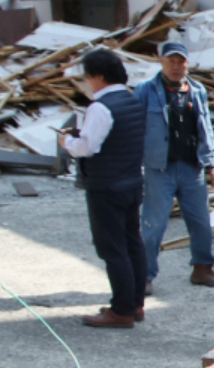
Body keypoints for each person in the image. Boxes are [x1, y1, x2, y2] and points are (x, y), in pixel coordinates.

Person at [60, 48, 149, 328]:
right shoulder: (131, 100)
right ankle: (134, 304)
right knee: (132, 243)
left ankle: (121, 310)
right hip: (131, 180)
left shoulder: (101, 107)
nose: (87, 83)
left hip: (106, 184)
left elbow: (87, 147)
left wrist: (66, 143)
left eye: (87, 77)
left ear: (98, 76)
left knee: (112, 249)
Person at [136, 40, 214, 290]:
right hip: (159, 169)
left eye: (181, 62)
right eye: (171, 61)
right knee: (154, 224)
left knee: (200, 222)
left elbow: (205, 128)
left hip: (191, 167)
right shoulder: (145, 91)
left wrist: (212, 163)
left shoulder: (196, 91)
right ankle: (144, 276)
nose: (176, 67)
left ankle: (203, 269)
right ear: (161, 62)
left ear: (187, 64)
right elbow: (135, 128)